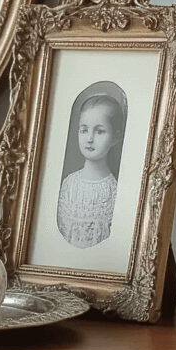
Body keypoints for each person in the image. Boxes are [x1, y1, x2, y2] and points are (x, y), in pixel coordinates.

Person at [57, 92, 125, 248]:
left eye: (100, 131)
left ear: (116, 137)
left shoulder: (115, 190)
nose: (89, 138)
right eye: (84, 130)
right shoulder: (69, 185)